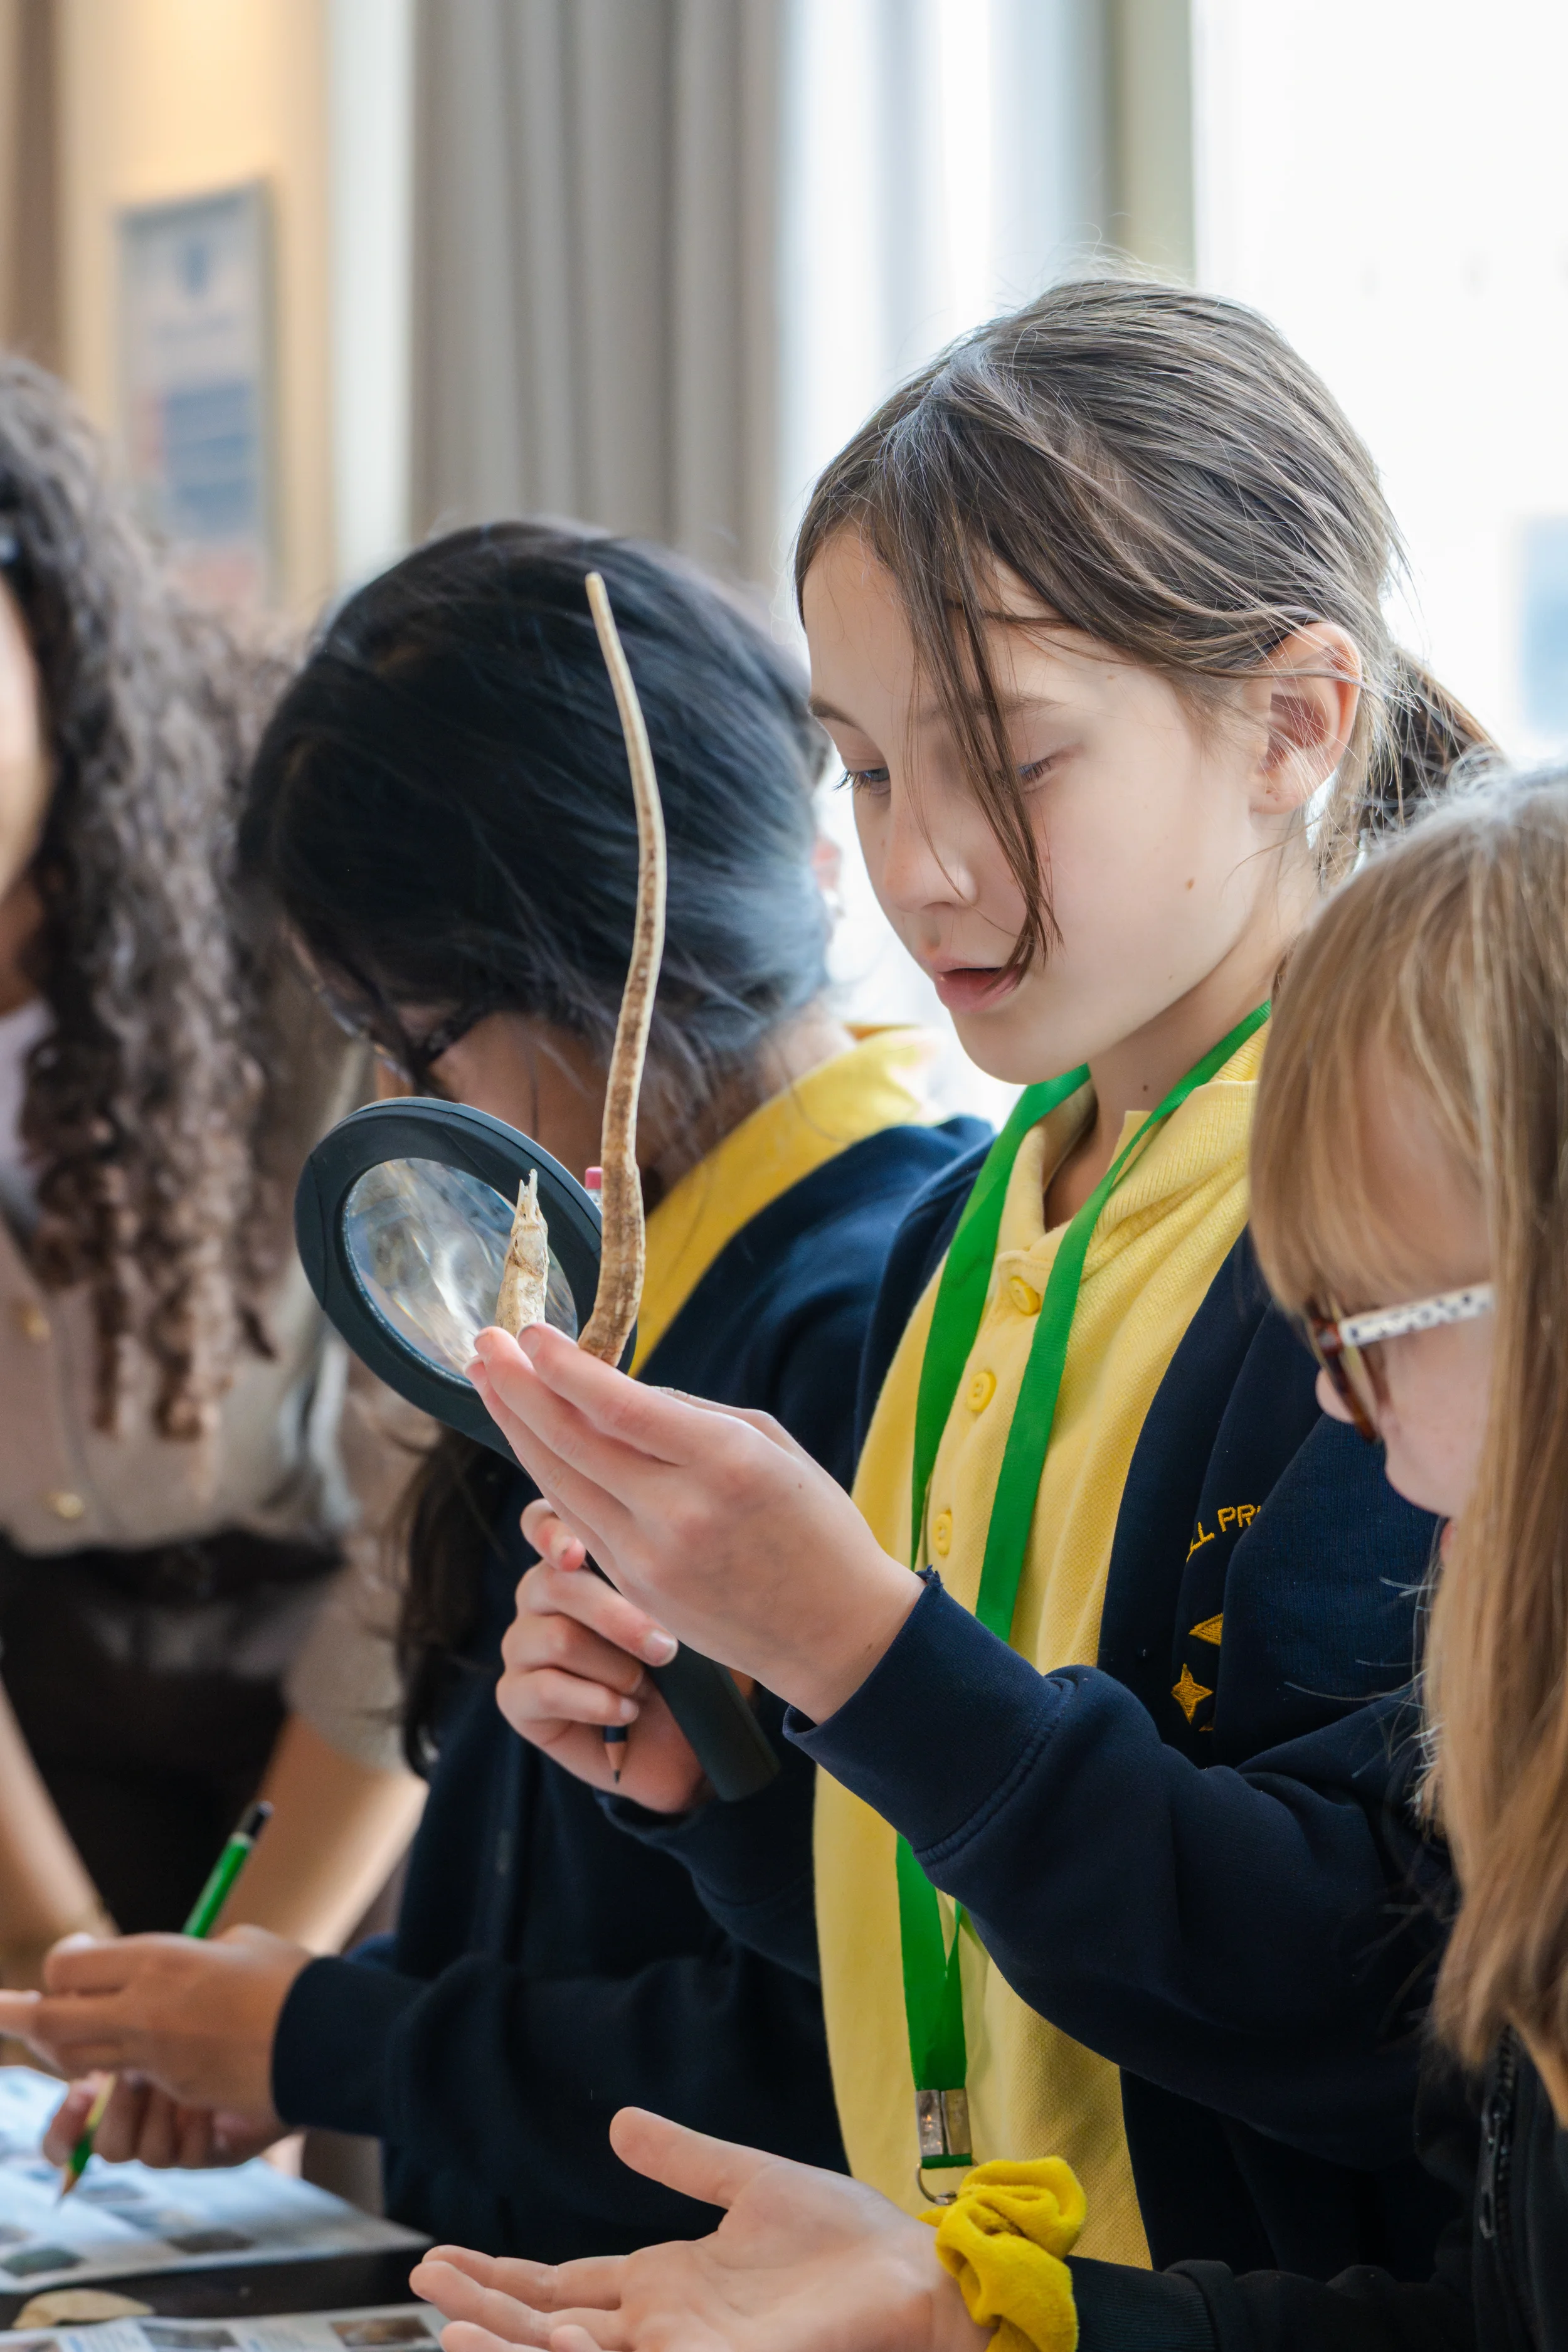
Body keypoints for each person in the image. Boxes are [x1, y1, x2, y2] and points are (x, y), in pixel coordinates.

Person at [458, 280, 1491, 2280]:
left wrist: (856, 1651)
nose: (919, 862)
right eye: (856, 767)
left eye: (1002, 755)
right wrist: (732, 1784)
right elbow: (980, 1917)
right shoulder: (981, 1208)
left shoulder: (1395, 1244)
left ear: (1297, 721)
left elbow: (1388, 1997)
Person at [410, 761, 1568, 2352]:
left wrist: (861, 1660)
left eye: (1368, 1324)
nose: (1329, 1396)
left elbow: (1338, 2018)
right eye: (866, 768)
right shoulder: (955, 1235)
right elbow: (1493, 2317)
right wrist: (983, 2318)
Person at [0, 523, 985, 2257]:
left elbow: (832, 2041)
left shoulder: (850, 1333)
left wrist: (328, 2036)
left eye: (415, 1034)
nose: (392, 1092)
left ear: (600, 947)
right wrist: (288, 2020)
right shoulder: (638, 1286)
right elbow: (574, 1921)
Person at [0, 353, 423, 1991]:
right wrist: (60, 1965)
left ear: (50, 614)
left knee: (327, 2199)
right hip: (39, 1723)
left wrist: (261, 1976)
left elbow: (426, 1514)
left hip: (346, 1716)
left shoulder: (287, 889)